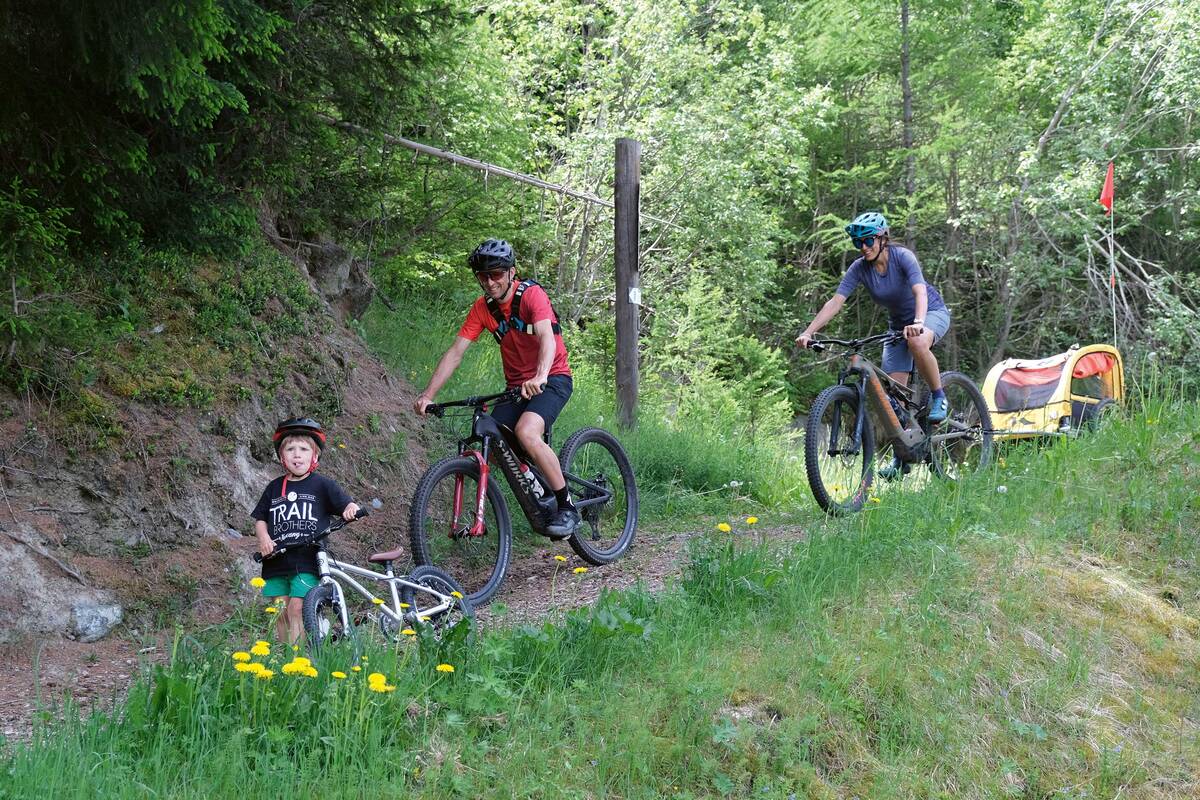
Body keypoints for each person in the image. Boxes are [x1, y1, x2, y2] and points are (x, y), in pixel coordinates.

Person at [413, 238, 580, 537]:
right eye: (483, 276)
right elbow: (456, 353)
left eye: (496, 274)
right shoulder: (482, 309)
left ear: (511, 272)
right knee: (495, 436)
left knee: (527, 431)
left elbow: (547, 338)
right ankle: (536, 482)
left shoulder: (532, 296)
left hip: (552, 377)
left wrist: (541, 375)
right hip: (517, 386)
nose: (490, 282)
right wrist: (428, 395)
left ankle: (567, 506)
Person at [796, 212, 951, 478]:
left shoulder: (902, 257)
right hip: (896, 328)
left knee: (916, 341)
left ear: (882, 238)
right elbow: (835, 302)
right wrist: (809, 332)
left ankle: (939, 397)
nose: (864, 248)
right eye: (858, 243)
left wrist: (918, 321)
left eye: (868, 241)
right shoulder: (860, 268)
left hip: (930, 314)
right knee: (893, 400)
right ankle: (901, 459)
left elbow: (920, 292)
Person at [252, 417, 360, 644]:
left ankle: (298, 661)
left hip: (307, 559)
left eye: (303, 449)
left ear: (315, 456)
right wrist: (264, 539)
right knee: (279, 612)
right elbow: (260, 518)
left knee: (297, 607)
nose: (297, 454)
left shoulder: (322, 484)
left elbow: (346, 505)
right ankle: (286, 659)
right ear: (282, 457)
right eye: (290, 449)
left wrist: (351, 509)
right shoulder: (274, 488)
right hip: (276, 560)